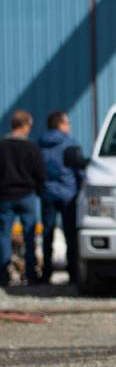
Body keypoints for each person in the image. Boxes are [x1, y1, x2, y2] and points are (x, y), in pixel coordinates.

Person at [37, 111, 88, 285]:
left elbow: (37, 170)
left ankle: (46, 273)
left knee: (47, 234)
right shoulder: (70, 143)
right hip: (68, 194)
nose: (69, 126)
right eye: (68, 123)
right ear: (60, 124)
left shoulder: (40, 144)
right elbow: (79, 170)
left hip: (47, 193)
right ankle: (73, 273)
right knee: (70, 235)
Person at [0, 110, 45, 287]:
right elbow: (40, 173)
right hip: (27, 196)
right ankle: (31, 273)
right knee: (29, 235)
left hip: (5, 197)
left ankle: (4, 274)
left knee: (3, 235)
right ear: (25, 125)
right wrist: (40, 190)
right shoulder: (31, 148)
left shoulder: (2, 147)